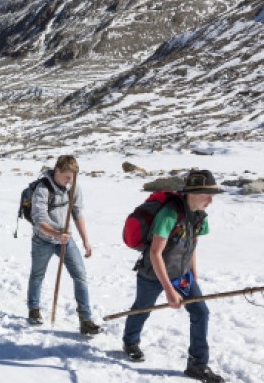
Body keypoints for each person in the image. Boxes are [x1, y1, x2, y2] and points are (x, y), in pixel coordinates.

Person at [122, 170, 224, 383]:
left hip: (182, 274)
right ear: (193, 193)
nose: (211, 201)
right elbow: (155, 253)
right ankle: (130, 342)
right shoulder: (169, 214)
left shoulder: (199, 216)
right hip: (153, 273)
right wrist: (168, 289)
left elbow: (192, 246)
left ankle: (197, 365)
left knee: (200, 312)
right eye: (207, 194)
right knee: (142, 308)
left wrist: (193, 274)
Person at [26, 155, 101, 335]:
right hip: (43, 239)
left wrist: (85, 240)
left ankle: (85, 319)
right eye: (67, 176)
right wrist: (56, 234)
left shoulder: (73, 186)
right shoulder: (43, 189)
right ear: (57, 171)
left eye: (73, 177)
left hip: (66, 240)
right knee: (37, 274)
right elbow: (39, 220)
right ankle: (34, 309)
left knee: (80, 275)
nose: (70, 181)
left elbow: (77, 213)